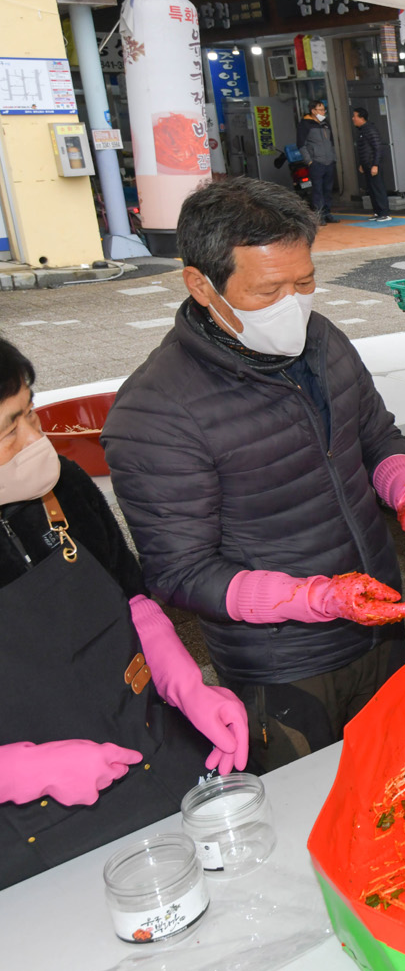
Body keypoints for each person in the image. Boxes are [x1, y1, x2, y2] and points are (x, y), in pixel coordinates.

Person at [101, 178, 405, 773]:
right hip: (282, 665)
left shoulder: (322, 339)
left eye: (305, 282)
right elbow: (181, 573)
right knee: (309, 802)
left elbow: (375, 436)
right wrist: (315, 597)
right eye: (268, 291)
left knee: (398, 776)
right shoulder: (157, 412)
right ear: (201, 285)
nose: (294, 305)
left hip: (379, 621)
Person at [0, 339, 249, 887]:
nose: (34, 441)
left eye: (30, 413)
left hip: (147, 744)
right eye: (8, 431)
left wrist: (186, 685)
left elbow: (131, 599)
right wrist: (19, 771)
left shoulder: (63, 487)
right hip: (30, 828)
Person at [295, 100, 338, 224]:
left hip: (329, 161)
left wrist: (333, 158)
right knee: (317, 190)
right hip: (316, 162)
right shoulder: (305, 124)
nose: (323, 112)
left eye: (324, 109)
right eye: (321, 110)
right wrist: (309, 161)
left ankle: (327, 213)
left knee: (328, 189)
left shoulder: (325, 123)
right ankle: (319, 215)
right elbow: (301, 145)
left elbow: (331, 143)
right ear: (313, 111)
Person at [350, 106, 389, 222]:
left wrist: (375, 165)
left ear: (362, 118)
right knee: (371, 190)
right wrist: (362, 164)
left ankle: (384, 213)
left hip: (373, 165)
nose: (353, 118)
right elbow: (364, 150)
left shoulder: (370, 129)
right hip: (367, 165)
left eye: (354, 116)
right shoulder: (362, 130)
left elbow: (378, 148)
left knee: (378, 189)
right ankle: (377, 212)